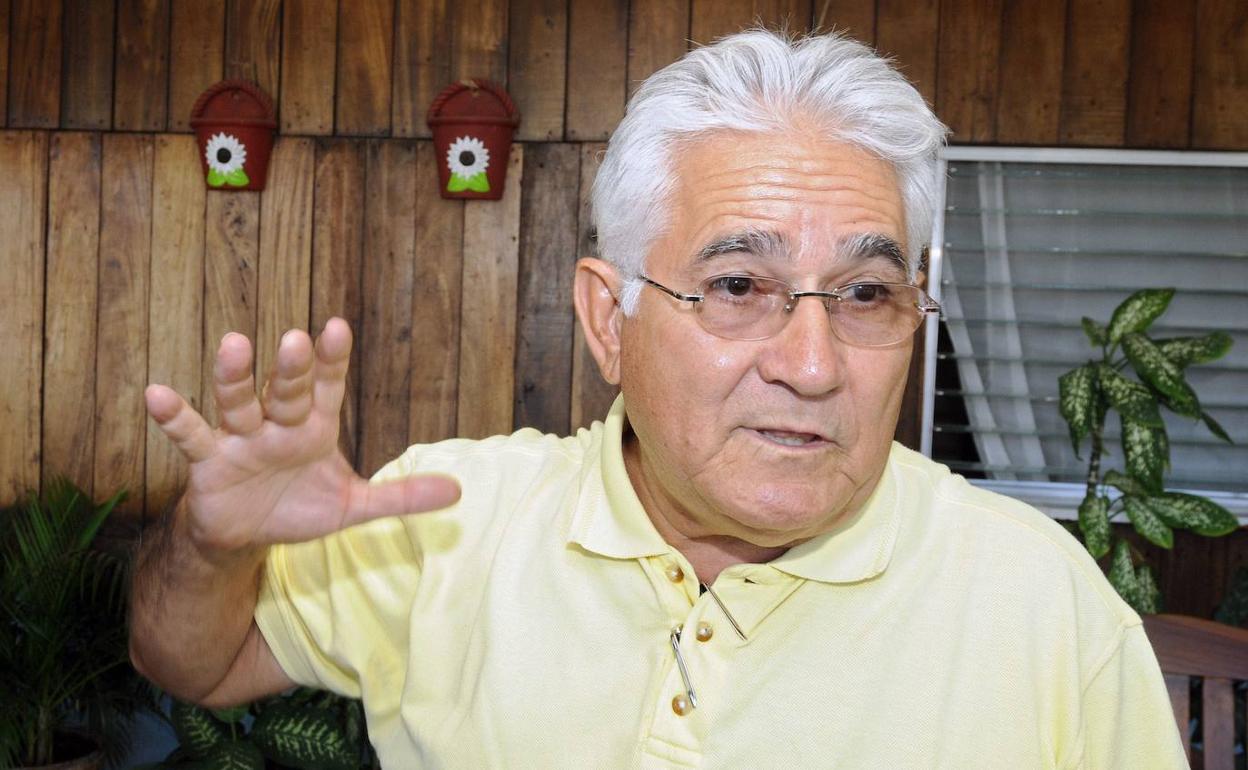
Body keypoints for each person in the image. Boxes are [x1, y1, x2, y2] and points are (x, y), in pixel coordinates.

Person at [130, 29, 1187, 768]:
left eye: (867, 294)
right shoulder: (447, 520)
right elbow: (193, 663)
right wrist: (214, 547)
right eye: (739, 286)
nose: (813, 364)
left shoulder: (1043, 602)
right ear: (609, 319)